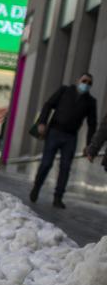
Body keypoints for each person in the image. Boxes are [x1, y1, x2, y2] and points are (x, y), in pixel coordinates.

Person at [30, 73, 98, 208]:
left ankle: (58, 197)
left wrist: (88, 145)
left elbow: (92, 124)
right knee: (46, 163)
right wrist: (42, 122)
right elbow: (48, 104)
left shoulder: (90, 102)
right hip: (54, 132)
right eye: (84, 81)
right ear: (78, 80)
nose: (86, 84)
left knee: (65, 167)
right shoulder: (64, 91)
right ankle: (37, 187)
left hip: (71, 137)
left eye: (89, 83)